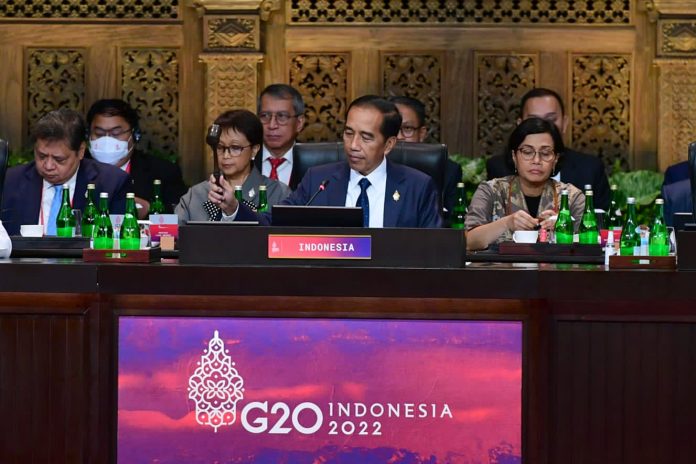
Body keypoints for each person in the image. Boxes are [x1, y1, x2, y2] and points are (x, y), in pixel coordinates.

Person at [209, 95, 442, 228]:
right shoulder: (319, 180)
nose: (353, 145)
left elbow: (433, 252)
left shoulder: (417, 187)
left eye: (366, 137)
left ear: (389, 144)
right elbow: (272, 223)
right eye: (349, 133)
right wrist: (234, 208)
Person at [1, 109, 130, 236]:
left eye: (59, 159)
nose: (48, 166)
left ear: (80, 151)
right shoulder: (9, 181)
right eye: (41, 156)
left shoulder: (111, 183)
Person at [466, 118, 585, 250]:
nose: (536, 160)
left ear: (556, 159)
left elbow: (590, 245)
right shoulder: (491, 191)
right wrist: (506, 223)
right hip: (500, 269)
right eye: (527, 152)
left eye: (545, 153)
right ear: (514, 156)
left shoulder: (572, 197)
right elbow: (468, 241)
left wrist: (562, 230)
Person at [486, 88, 609, 210]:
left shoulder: (590, 168)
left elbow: (602, 223)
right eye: (533, 120)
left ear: (565, 123)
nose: (542, 127)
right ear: (520, 124)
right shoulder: (499, 168)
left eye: (550, 119)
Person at [175, 109, 290, 223]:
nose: (226, 155)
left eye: (235, 148)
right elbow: (167, 238)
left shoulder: (278, 193)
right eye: (220, 147)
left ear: (254, 150)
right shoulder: (196, 194)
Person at [86, 99, 187, 217]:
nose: (107, 140)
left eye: (116, 133)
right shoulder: (75, 169)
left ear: (135, 134)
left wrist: (149, 209)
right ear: (88, 135)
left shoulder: (163, 172)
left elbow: (180, 219)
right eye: (99, 133)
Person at [388, 96, 463, 223]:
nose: (399, 136)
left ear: (422, 133)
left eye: (407, 129)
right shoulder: (368, 167)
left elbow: (453, 224)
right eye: (393, 128)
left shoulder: (448, 171)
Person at [253, 84, 306, 189]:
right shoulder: (245, 160)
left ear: (299, 123)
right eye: (265, 116)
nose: (272, 125)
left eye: (282, 116)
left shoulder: (313, 166)